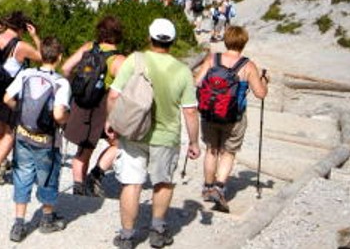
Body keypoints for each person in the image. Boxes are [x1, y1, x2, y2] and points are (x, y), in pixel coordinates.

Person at [107, 19, 200, 249]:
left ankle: (127, 236)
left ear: (150, 37)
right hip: (166, 136)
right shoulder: (183, 71)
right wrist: (194, 142)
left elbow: (113, 95)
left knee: (131, 183)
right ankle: (157, 230)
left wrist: (112, 121)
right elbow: (190, 111)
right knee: (163, 182)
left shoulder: (135, 60)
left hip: (134, 132)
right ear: (173, 41)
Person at [2, 36, 70, 242]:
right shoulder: (61, 82)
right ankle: (47, 219)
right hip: (46, 140)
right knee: (47, 176)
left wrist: (21, 112)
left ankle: (19, 224)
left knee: (22, 174)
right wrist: (66, 118)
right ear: (59, 57)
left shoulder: (26, 74)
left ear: (41, 55)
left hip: (23, 134)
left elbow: (6, 98)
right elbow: (58, 115)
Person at [193, 26, 268, 210]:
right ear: (244, 43)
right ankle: (219, 187)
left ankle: (208, 188)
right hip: (234, 117)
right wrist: (264, 80)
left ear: (225, 40)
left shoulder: (213, 59)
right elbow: (260, 94)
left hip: (210, 112)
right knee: (228, 152)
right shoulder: (247, 65)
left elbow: (197, 81)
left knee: (212, 149)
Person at [60, 15, 126, 197]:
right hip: (104, 107)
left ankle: (78, 188)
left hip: (82, 104)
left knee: (84, 147)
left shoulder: (89, 47)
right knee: (120, 144)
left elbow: (65, 68)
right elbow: (123, 91)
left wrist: (77, 86)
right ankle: (96, 174)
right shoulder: (119, 60)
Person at [0, 11, 42, 184]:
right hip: (10, 92)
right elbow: (43, 58)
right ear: (22, 28)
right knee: (11, 131)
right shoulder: (21, 46)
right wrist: (35, 36)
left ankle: (1, 162)